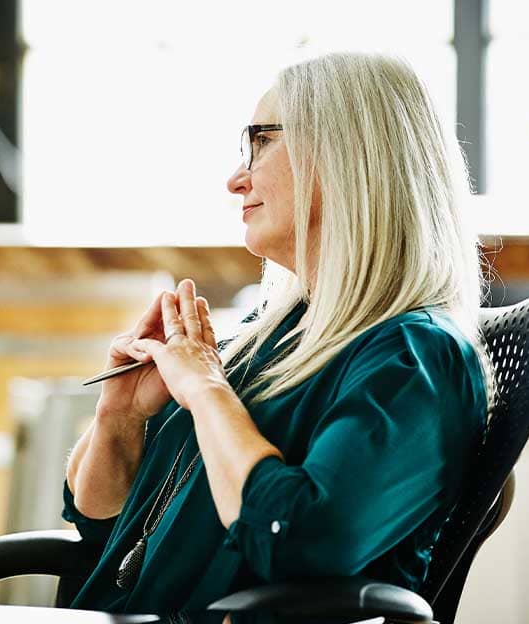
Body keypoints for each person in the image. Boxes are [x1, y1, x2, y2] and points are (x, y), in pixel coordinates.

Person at [62, 52, 492, 614]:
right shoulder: (275, 334)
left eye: (262, 141)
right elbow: (102, 526)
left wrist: (208, 392)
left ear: (348, 156)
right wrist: (119, 417)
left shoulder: (413, 359)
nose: (236, 179)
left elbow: (297, 541)